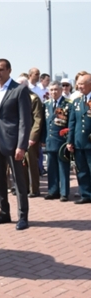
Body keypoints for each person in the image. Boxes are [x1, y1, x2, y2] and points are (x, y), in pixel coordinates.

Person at [0, 59, 32, 230]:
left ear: (9, 70)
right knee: (0, 181)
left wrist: (21, 145)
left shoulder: (19, 90)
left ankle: (23, 216)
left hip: (13, 143)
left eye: (1, 70)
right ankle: (4, 213)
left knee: (18, 182)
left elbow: (25, 121)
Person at [42, 81, 72, 201]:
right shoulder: (46, 104)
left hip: (62, 141)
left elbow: (70, 124)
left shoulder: (67, 104)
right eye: (52, 90)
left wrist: (69, 140)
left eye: (56, 89)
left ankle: (64, 192)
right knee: (51, 167)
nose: (54, 92)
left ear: (61, 90)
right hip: (50, 140)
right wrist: (43, 138)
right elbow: (44, 124)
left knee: (63, 167)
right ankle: (53, 191)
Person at [14, 77, 43, 197]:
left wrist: (33, 137)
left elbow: (38, 120)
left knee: (31, 163)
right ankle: (23, 188)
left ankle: (34, 189)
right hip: (18, 135)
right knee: (20, 163)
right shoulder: (16, 97)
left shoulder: (34, 98)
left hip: (30, 136)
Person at [67, 73, 91, 204]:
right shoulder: (77, 101)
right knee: (81, 170)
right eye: (78, 84)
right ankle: (86, 194)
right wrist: (69, 141)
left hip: (90, 142)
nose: (79, 86)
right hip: (78, 141)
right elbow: (72, 123)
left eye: (82, 84)